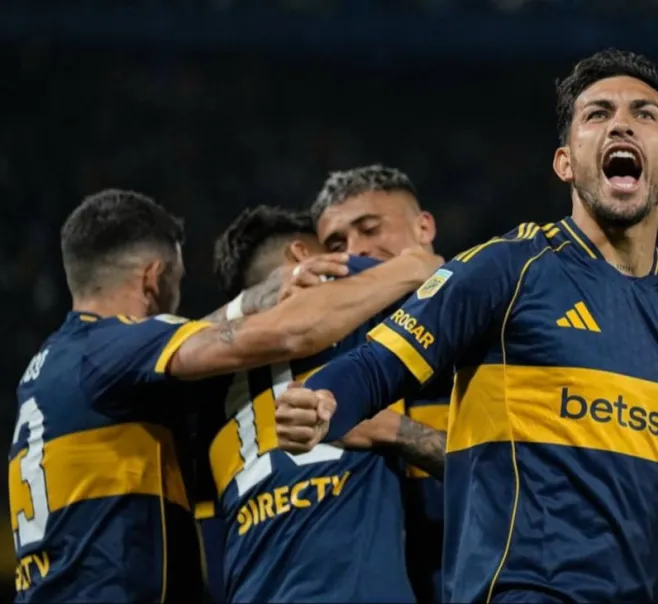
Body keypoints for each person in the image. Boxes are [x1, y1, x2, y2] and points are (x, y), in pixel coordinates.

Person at [273, 49, 658, 604]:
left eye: (643, 114)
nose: (621, 123)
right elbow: (377, 364)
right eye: (598, 114)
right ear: (566, 162)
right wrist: (323, 400)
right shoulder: (508, 269)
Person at [8, 189, 442, 602]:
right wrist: (412, 267)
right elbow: (289, 332)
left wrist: (249, 299)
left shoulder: (61, 365)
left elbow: (202, 334)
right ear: (153, 278)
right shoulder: (112, 348)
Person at [196, 204, 445, 603]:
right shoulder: (359, 294)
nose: (351, 254)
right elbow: (438, 275)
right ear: (302, 255)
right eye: (334, 248)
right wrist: (418, 261)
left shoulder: (198, 379)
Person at [308, 165, 449, 602]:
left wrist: (395, 431)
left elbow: (529, 478)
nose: (356, 251)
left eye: (370, 229)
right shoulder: (336, 364)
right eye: (337, 245)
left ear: (424, 228)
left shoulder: (490, 331)